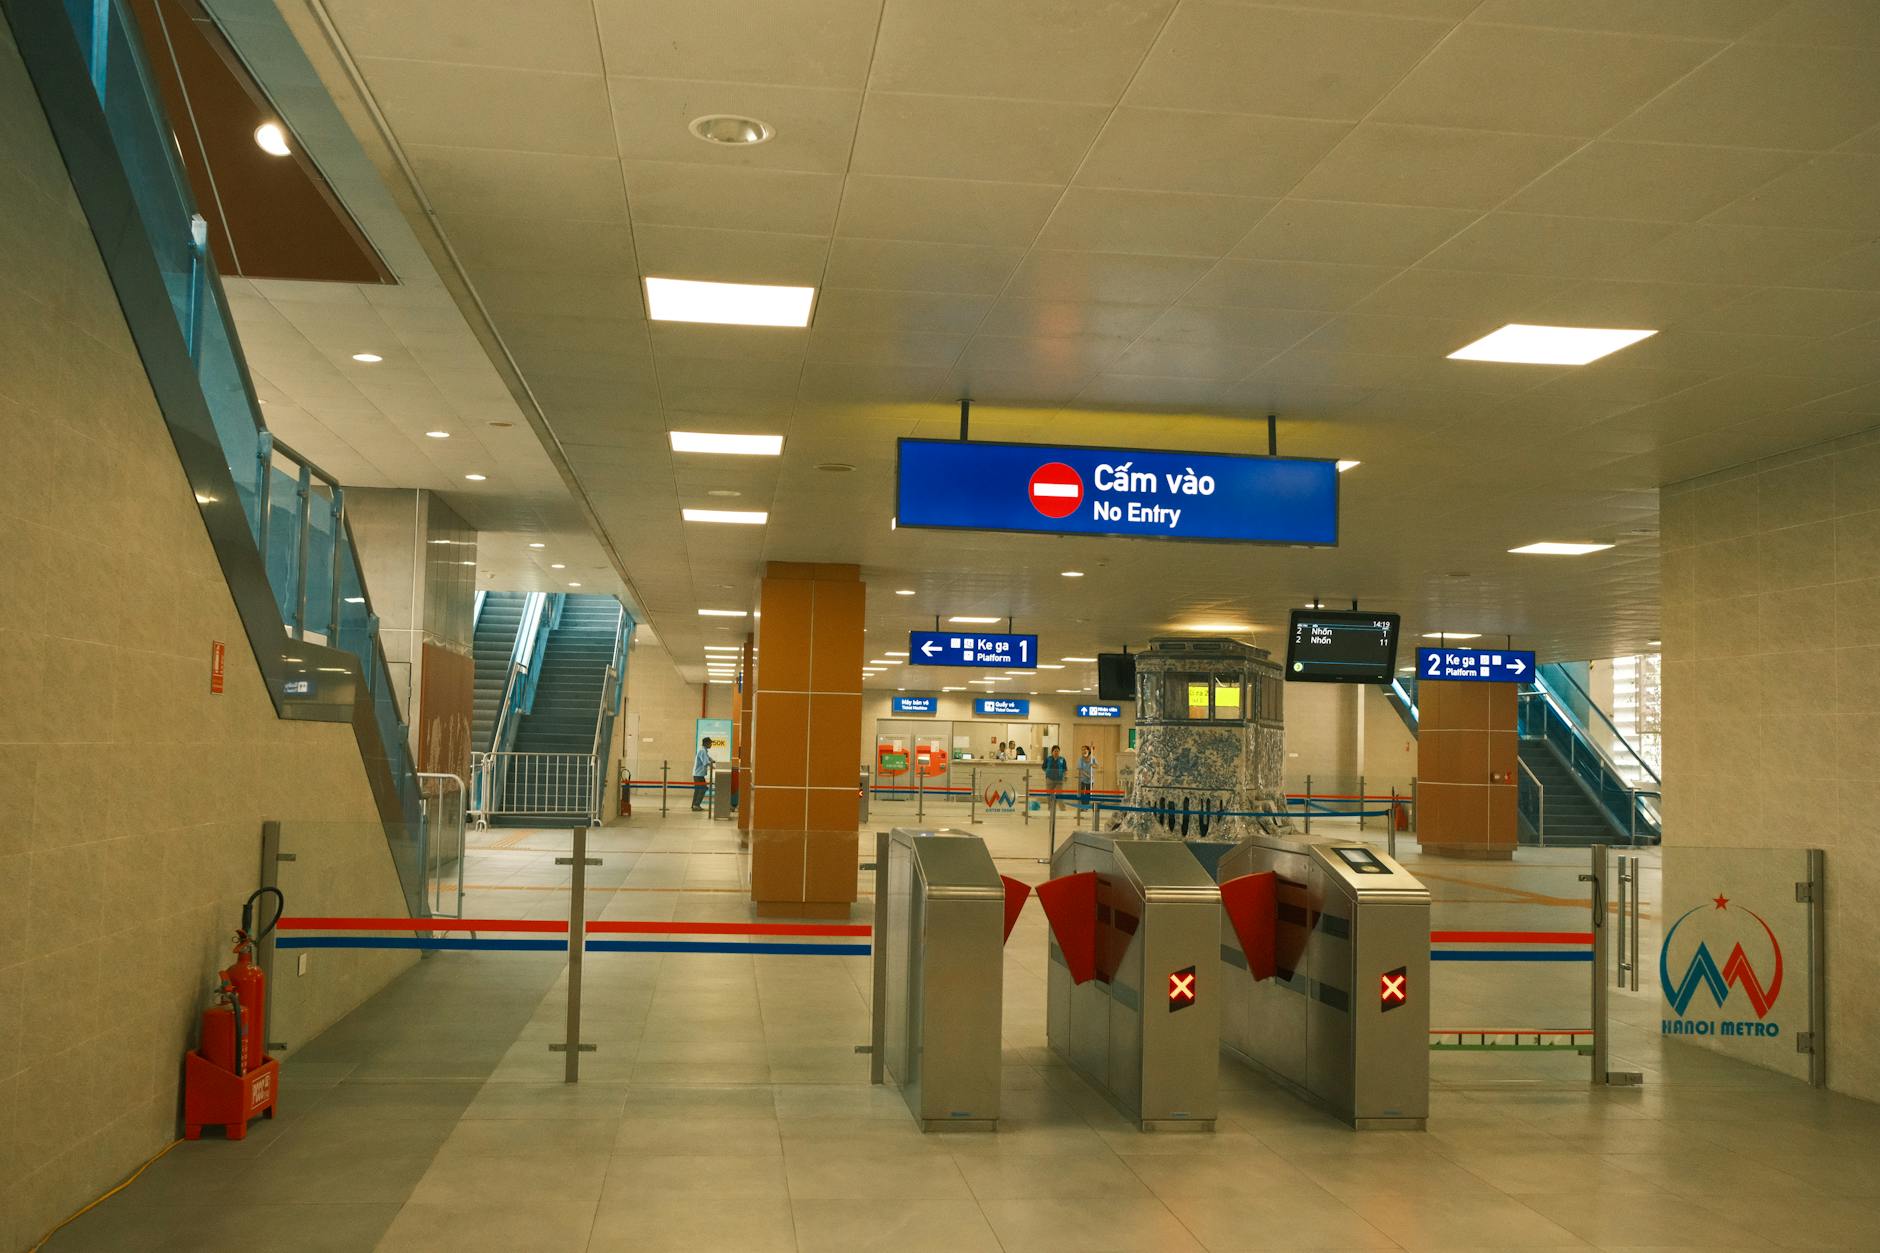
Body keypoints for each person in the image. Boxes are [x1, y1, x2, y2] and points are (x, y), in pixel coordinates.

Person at [690, 736, 713, 811]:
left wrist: (712, 761)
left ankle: (694, 805)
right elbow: (705, 762)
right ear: (706, 743)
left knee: (698, 789)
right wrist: (713, 766)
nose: (711, 745)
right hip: (698, 774)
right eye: (710, 743)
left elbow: (708, 758)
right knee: (703, 788)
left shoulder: (703, 750)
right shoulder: (702, 751)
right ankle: (696, 805)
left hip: (698, 774)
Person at [1077, 745, 1097, 810]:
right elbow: (1080, 769)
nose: (1083, 751)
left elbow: (1096, 766)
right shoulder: (1080, 759)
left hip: (1090, 780)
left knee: (1088, 793)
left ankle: (1086, 806)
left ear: (1088, 750)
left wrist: (1093, 765)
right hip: (1082, 779)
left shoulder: (1092, 758)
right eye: (1082, 750)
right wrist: (1087, 775)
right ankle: (1082, 806)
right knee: (1082, 793)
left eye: (1085, 749)